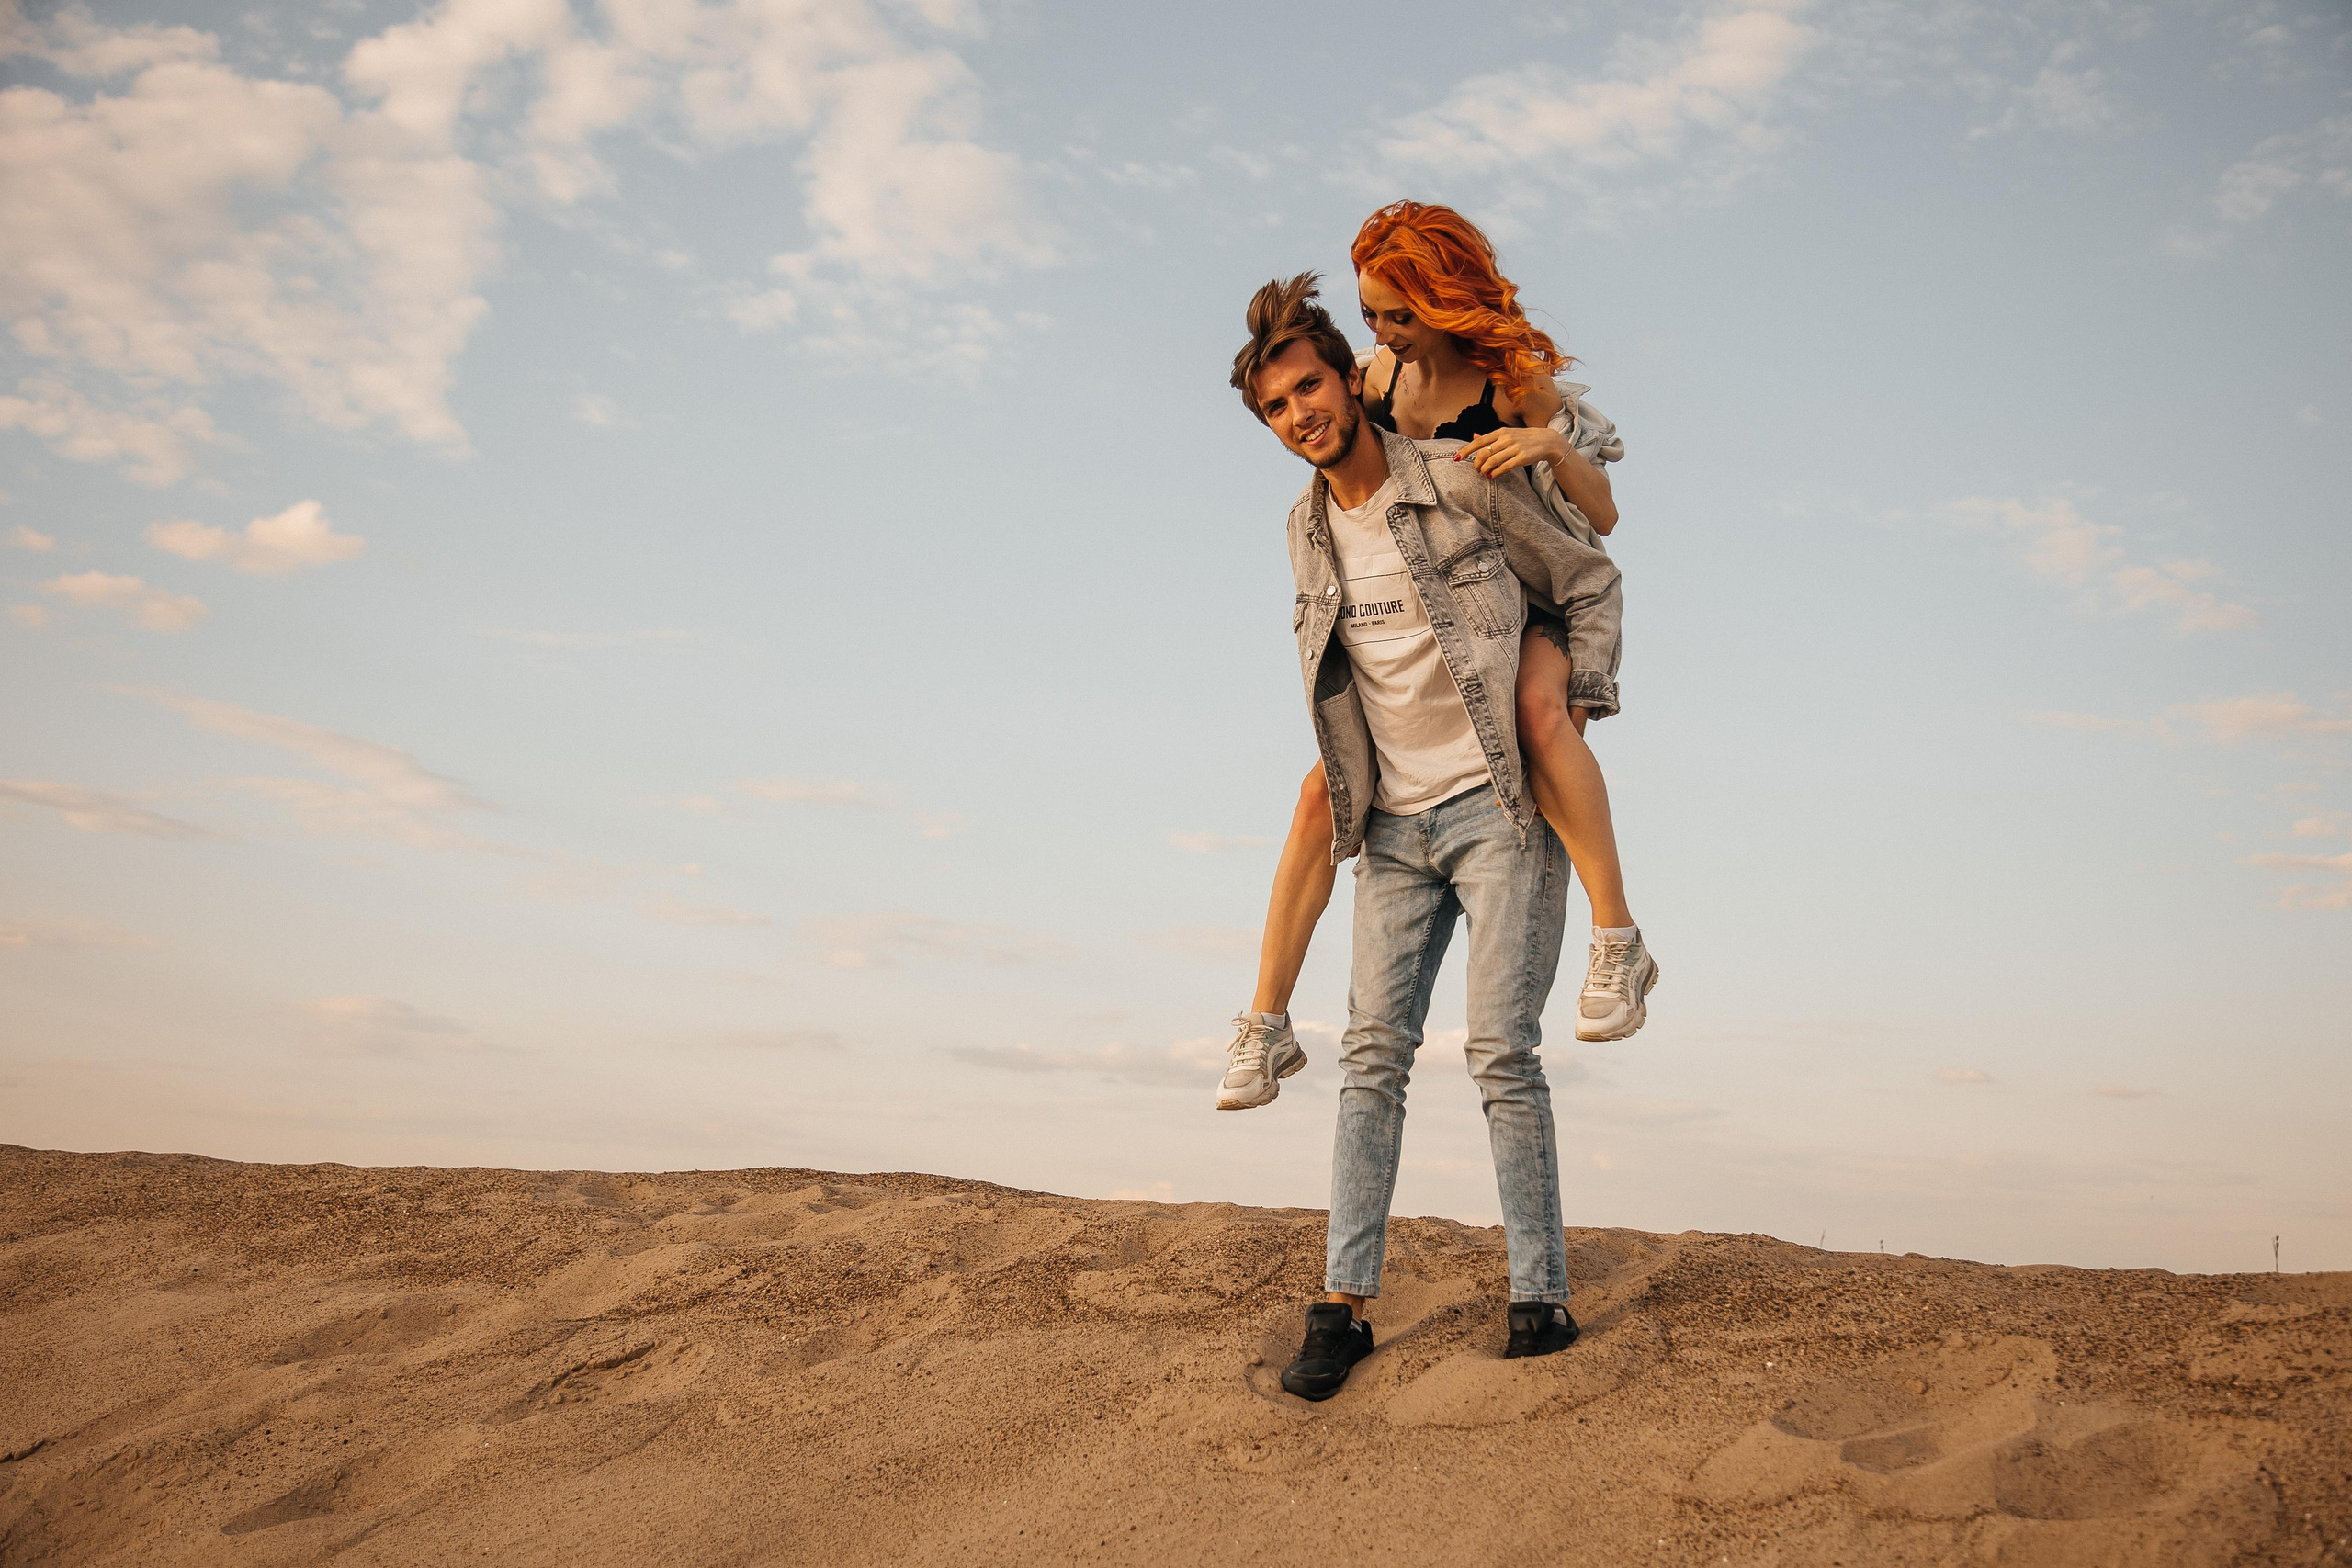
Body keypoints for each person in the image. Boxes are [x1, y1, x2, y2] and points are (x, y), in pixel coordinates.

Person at [1230, 273, 1611, 1396]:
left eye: (1309, 385)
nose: (1300, 413)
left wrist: (1574, 699)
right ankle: (1343, 1305)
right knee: (1371, 1062)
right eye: (1275, 408)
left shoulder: (1455, 479)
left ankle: (1537, 1298)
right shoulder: (1301, 536)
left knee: (1501, 1053)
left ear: (1352, 379)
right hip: (1394, 825)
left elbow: (1585, 574)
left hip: (1497, 807)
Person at [1217, 202, 1658, 1114]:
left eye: (1396, 314)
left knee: (1538, 722)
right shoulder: (1377, 380)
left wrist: (1545, 443)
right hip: (1442, 617)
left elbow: (1603, 521)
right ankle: (1264, 1027)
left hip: (1531, 595)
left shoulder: (1514, 379)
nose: (1379, 333)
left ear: (1442, 300)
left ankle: (1617, 939)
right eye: (1370, 314)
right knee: (1317, 791)